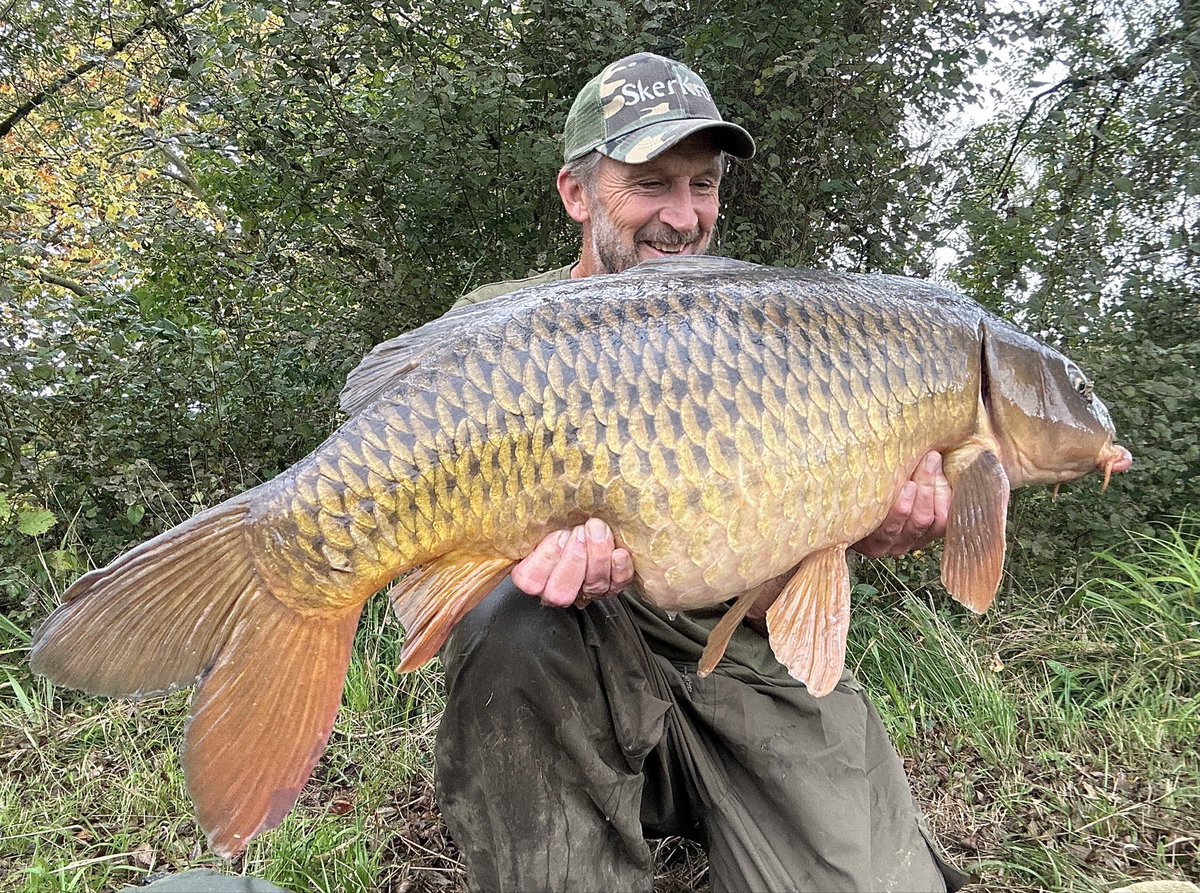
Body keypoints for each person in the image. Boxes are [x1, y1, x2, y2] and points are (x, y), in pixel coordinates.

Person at [433, 52, 970, 892]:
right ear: (577, 193)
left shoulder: (770, 332)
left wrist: (868, 528)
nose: (684, 218)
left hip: (739, 662)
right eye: (651, 182)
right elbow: (438, 573)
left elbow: (794, 565)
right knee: (515, 619)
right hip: (575, 667)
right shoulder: (499, 336)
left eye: (704, 185)